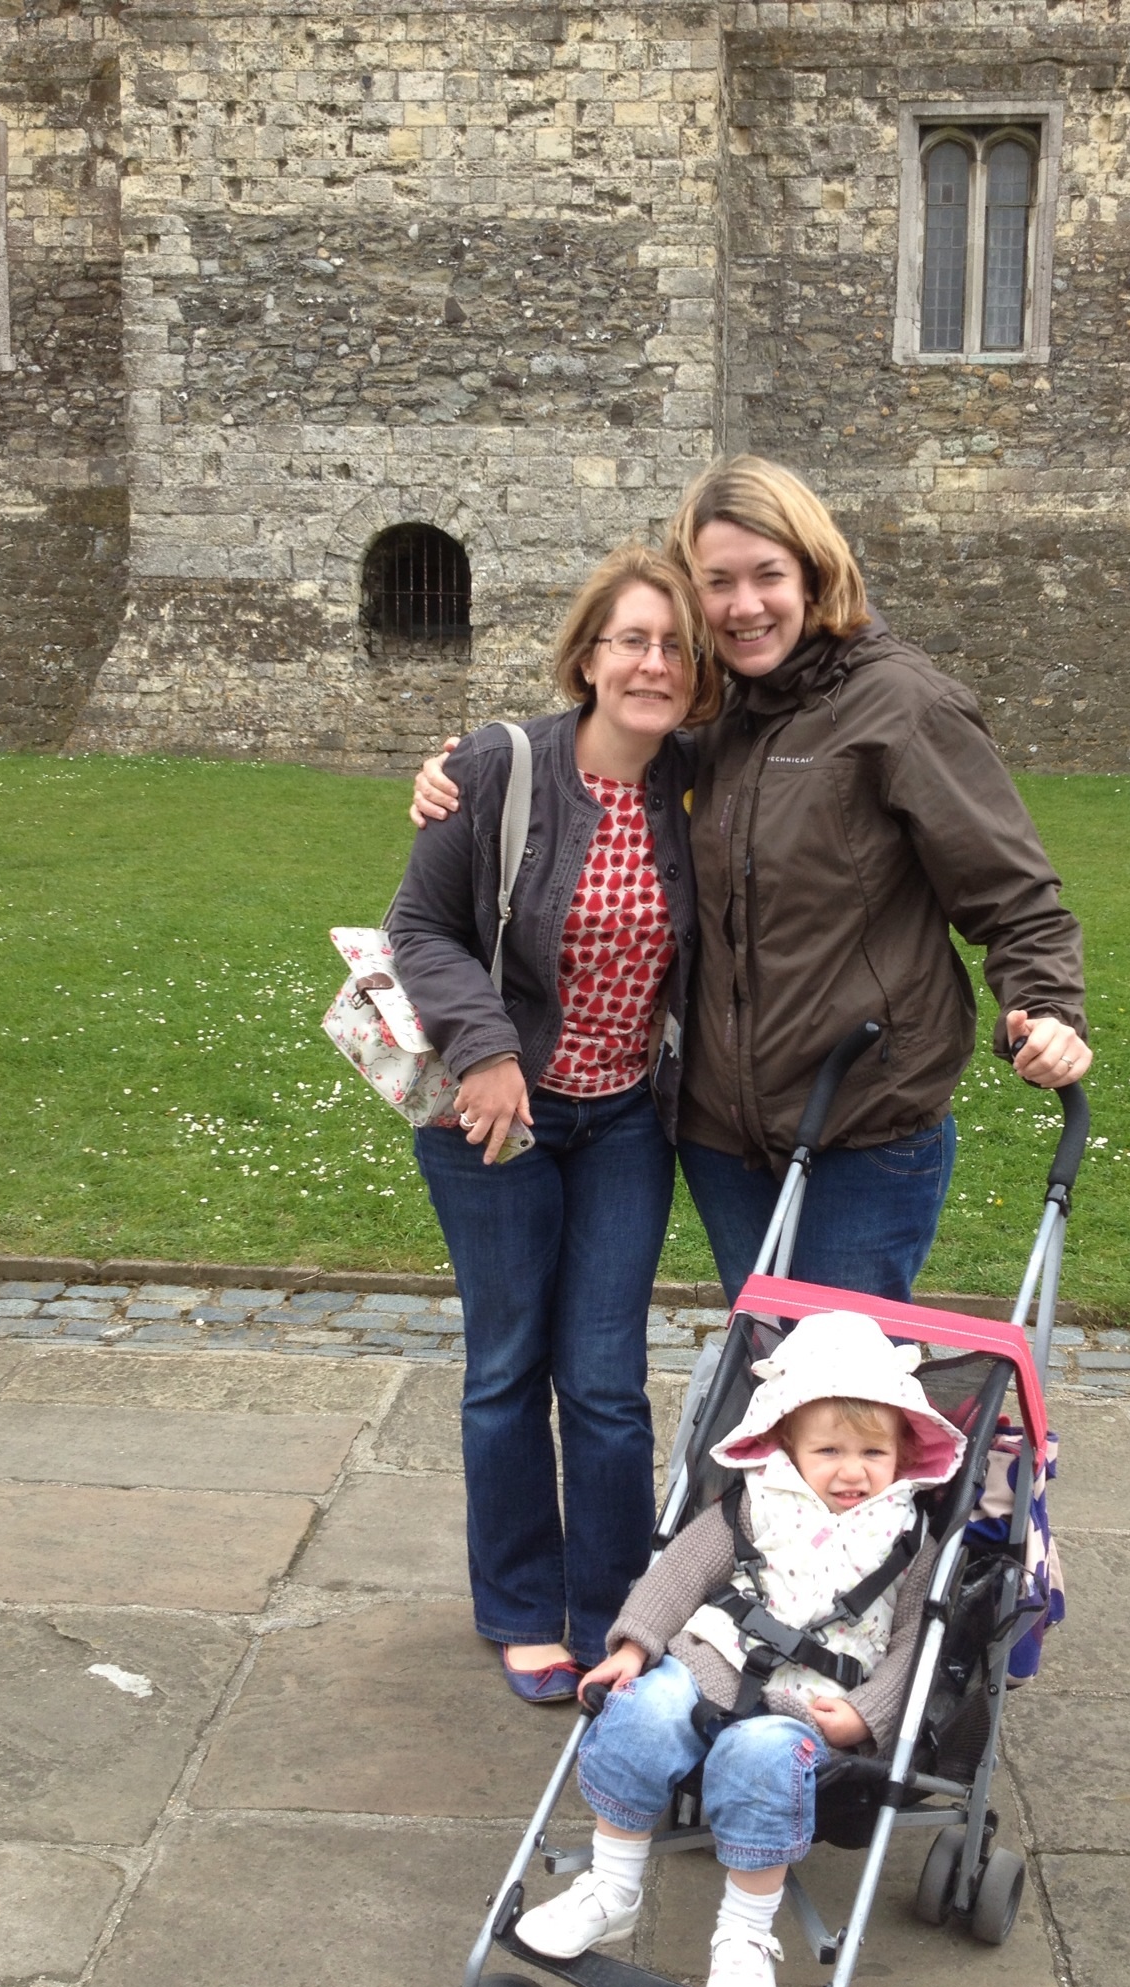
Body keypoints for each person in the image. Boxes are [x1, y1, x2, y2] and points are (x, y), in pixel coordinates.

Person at [412, 455, 1092, 1306]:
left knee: (842, 1380)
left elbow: (1015, 896)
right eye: (717, 582)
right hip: (721, 1137)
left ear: (812, 572)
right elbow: (597, 751)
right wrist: (466, 772)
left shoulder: (904, 706)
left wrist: (1048, 1007)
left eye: (767, 575)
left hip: (860, 1128)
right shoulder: (715, 713)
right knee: (767, 1363)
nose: (744, 606)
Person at [386, 545, 720, 1702]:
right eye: (632, 640)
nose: (653, 664)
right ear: (588, 657)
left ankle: (615, 1614)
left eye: (675, 646)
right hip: (498, 1118)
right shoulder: (497, 764)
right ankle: (523, 1607)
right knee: (508, 1362)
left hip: (626, 1118)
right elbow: (419, 926)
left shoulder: (699, 783)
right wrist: (484, 1050)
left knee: (607, 1379)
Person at [513, 1310, 967, 1987]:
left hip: (810, 1704)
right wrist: (634, 1646)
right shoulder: (751, 1507)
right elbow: (678, 1574)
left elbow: (917, 1646)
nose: (852, 1472)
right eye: (829, 1451)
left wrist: (866, 1715)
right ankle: (610, 1886)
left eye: (873, 1454)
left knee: (760, 1761)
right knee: (640, 1712)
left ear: (905, 1456)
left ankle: (746, 1934)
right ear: (786, 1445)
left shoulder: (914, 1542)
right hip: (711, 1662)